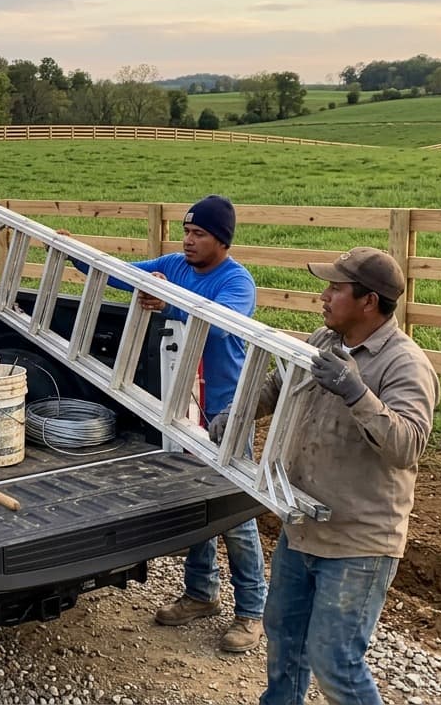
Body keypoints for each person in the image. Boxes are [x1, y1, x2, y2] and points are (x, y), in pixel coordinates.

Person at [61, 194, 267, 653]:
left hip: (223, 413)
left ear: (222, 241)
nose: (189, 241)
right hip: (180, 408)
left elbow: (220, 322)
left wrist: (169, 300)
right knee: (193, 502)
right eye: (187, 232)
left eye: (200, 235)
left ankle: (252, 613)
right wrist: (77, 252)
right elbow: (122, 272)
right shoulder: (175, 264)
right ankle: (200, 593)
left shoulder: (237, 282)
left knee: (233, 512)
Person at [246, 247, 439, 705]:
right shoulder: (324, 340)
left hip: (358, 541)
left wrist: (357, 393)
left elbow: (408, 445)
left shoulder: (405, 365)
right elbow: (278, 384)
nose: (324, 296)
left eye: (336, 288)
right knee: (285, 641)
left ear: (368, 302)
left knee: (335, 662)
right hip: (304, 525)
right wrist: (235, 415)